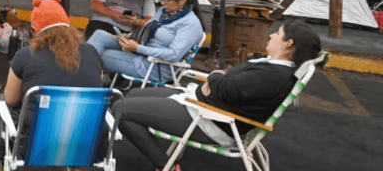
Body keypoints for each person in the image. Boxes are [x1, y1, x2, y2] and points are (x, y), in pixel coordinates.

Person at [102, 21, 323, 170]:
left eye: (278, 33)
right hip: (205, 105)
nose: (272, 34)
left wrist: (214, 79)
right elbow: (233, 84)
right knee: (130, 96)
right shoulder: (272, 66)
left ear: (288, 43)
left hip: (210, 119)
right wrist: (219, 77)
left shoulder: (273, 75)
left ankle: (167, 165)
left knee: (122, 109)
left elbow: (228, 88)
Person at [0, 0, 104, 161]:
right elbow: (97, 86)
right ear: (68, 26)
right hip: (88, 144)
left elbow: (11, 99)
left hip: (39, 146)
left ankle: (4, 161)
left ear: (34, 32)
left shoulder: (25, 55)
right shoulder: (92, 52)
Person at [86, 0, 203, 84]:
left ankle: (81, 80)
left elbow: (173, 55)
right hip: (140, 51)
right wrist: (129, 36)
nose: (162, 3)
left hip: (152, 66)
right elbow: (147, 29)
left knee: (98, 54)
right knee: (99, 35)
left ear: (182, 0)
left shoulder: (190, 24)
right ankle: (83, 77)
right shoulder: (164, 12)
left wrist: (137, 48)